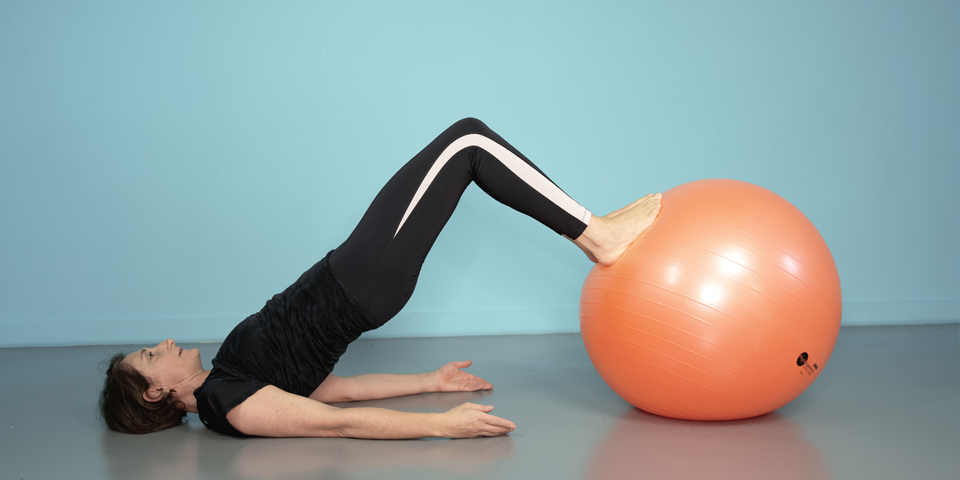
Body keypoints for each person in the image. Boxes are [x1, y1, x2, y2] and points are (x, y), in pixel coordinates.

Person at [99, 118, 662, 439]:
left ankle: (594, 232)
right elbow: (332, 424)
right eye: (152, 355)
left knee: (465, 145)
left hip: (357, 275)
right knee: (467, 144)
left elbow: (336, 391)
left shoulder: (230, 375)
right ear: (157, 393)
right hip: (360, 281)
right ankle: (596, 235)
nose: (164, 343)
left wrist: (431, 382)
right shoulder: (227, 403)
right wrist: (440, 426)